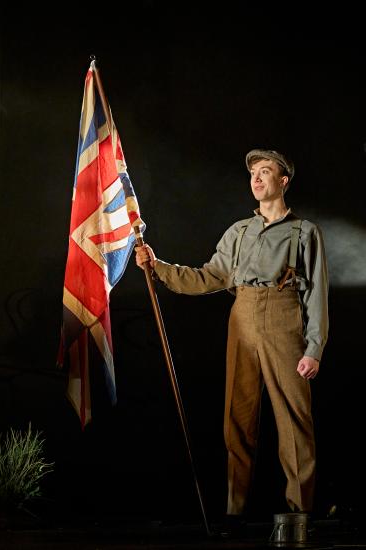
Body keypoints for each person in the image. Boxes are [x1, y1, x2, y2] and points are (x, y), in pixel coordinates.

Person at [135, 149, 329, 533]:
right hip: (241, 317)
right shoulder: (238, 231)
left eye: (265, 172)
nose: (257, 179)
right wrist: (158, 268)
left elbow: (317, 295)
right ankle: (234, 510)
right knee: (236, 420)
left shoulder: (304, 232)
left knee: (293, 420)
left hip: (283, 317)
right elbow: (209, 277)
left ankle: (299, 513)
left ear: (283, 180)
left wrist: (314, 348)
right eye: (253, 173)